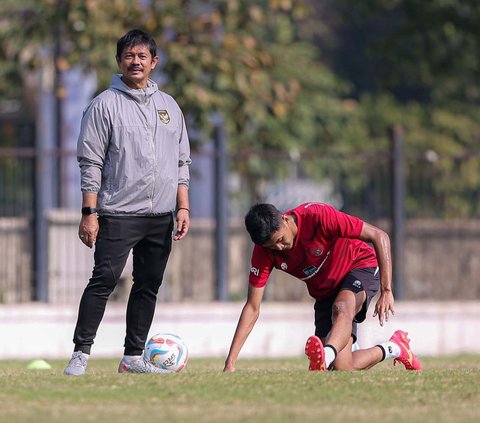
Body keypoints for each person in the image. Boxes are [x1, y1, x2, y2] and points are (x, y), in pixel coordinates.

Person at [64, 29, 192, 375]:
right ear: (119, 61)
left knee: (148, 285)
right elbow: (90, 162)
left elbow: (182, 162)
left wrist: (183, 206)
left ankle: (133, 356)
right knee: (103, 280)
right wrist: (89, 212)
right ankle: (81, 354)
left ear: (154, 61)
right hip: (118, 212)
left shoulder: (169, 107)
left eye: (142, 56)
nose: (135, 62)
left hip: (160, 216)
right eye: (129, 56)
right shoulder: (104, 104)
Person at [224, 202, 421, 372]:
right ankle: (395, 347)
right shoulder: (264, 252)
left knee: (342, 307)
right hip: (325, 291)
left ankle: (325, 356)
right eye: (271, 246)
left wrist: (386, 290)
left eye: (281, 241)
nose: (279, 249)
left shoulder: (318, 216)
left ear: (285, 219)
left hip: (359, 265)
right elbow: (252, 307)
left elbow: (379, 236)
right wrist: (230, 363)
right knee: (343, 367)